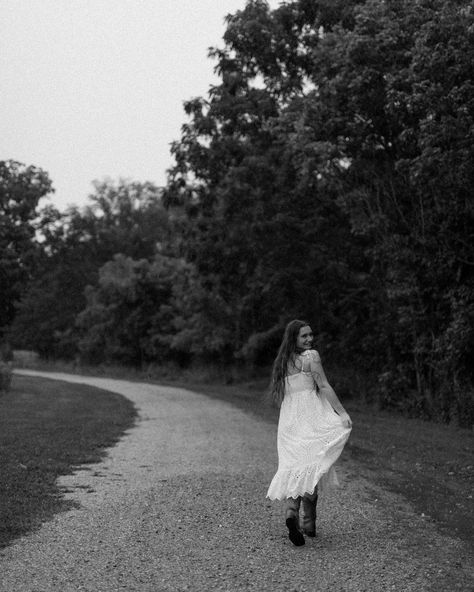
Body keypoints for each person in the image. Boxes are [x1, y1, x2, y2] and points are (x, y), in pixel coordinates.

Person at [266, 319, 352, 546]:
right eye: (304, 336)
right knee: (312, 467)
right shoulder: (310, 357)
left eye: (310, 335)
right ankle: (309, 524)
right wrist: (341, 413)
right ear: (294, 338)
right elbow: (323, 386)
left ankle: (291, 514)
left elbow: (285, 395)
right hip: (309, 418)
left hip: (288, 423)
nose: (309, 339)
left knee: (296, 468)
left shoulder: (282, 361)